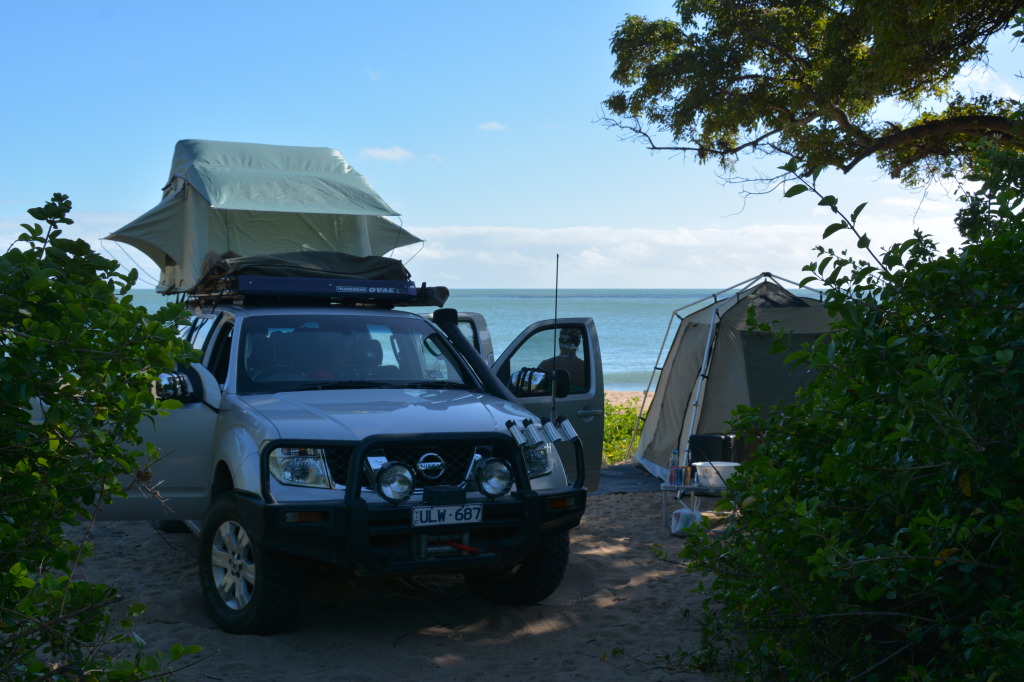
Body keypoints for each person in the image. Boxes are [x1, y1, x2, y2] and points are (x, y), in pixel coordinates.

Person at [539, 328, 586, 392]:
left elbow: (536, 392)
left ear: (559, 341)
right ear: (578, 343)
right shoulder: (586, 369)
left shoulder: (545, 366)